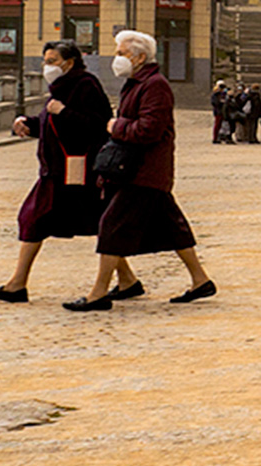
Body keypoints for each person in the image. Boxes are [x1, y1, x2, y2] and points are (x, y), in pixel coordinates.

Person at [64, 30, 215, 310]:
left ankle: (98, 293)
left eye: (121, 53)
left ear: (140, 57)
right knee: (173, 229)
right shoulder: (136, 83)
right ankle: (198, 280)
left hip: (142, 171)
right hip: (139, 170)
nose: (116, 58)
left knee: (110, 226)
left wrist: (115, 126)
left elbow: (149, 130)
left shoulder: (154, 85)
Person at [0, 41, 131, 303]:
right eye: (45, 60)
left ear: (68, 62)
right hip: (57, 171)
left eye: (52, 60)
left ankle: (17, 284)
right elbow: (52, 125)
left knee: (40, 219)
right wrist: (29, 123)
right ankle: (128, 280)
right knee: (80, 220)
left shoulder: (86, 84)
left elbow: (97, 125)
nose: (46, 66)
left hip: (76, 170)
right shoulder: (61, 86)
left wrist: (64, 112)